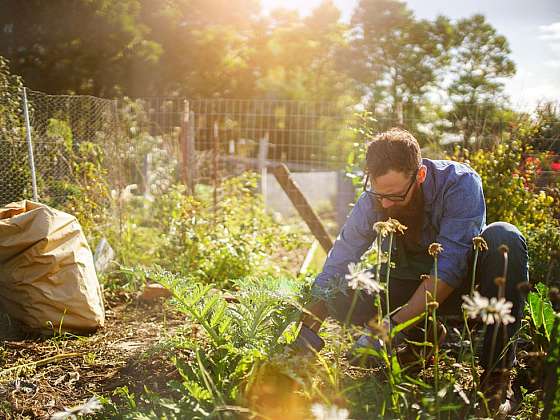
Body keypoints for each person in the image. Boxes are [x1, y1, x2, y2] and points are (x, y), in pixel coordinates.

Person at [292, 128, 528, 415]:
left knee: (505, 238)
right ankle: (423, 338)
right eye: (380, 195)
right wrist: (310, 323)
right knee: (341, 295)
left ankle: (496, 378)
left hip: (464, 289)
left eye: (395, 195)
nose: (386, 204)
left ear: (420, 176)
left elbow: (450, 267)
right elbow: (341, 257)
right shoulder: (375, 198)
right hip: (406, 281)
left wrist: (390, 329)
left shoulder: (459, 184)